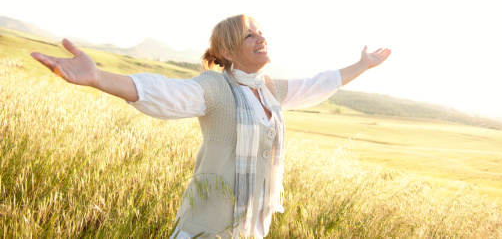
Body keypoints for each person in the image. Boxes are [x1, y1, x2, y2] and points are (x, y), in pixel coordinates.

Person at [31, 14, 391, 238]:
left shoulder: (270, 89)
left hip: (251, 229)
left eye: (261, 31)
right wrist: (98, 78)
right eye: (250, 35)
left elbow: (318, 83)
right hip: (207, 230)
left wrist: (363, 65)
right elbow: (164, 91)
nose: (261, 38)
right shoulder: (215, 87)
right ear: (230, 53)